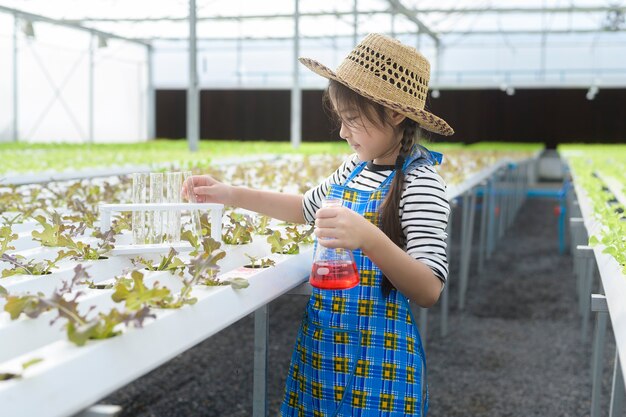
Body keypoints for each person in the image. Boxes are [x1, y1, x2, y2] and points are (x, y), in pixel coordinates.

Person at [185, 33, 453, 416]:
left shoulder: (421, 182)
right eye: (341, 120)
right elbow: (303, 208)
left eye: (353, 120)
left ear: (395, 114)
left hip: (381, 361)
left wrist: (367, 237)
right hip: (322, 348)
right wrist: (227, 193)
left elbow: (429, 289)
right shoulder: (354, 168)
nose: (343, 133)